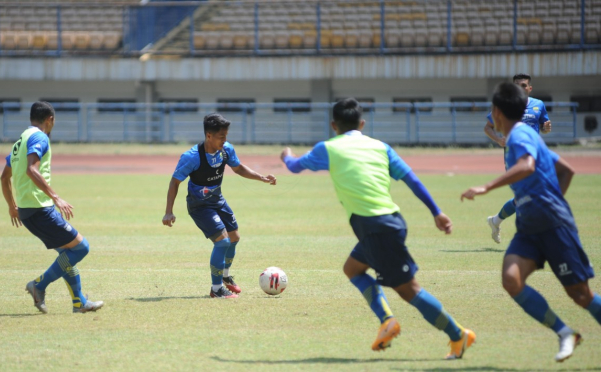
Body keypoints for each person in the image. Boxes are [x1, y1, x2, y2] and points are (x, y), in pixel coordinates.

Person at [280, 98, 475, 359]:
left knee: (409, 290)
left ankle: (458, 335)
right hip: (387, 224)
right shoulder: (381, 147)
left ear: (333, 125)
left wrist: (286, 155)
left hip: (377, 229)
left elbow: (294, 167)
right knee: (352, 268)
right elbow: (412, 179)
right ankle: (387, 321)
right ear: (361, 123)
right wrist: (436, 212)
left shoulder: (327, 148)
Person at [462, 82, 601, 362]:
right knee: (511, 280)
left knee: (580, 294)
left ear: (497, 112)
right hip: (528, 226)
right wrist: (547, 196)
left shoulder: (517, 136)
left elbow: (527, 166)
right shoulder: (529, 135)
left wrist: (486, 188)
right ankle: (565, 333)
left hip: (552, 223)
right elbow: (567, 170)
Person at [0, 101, 104, 314]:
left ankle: (79, 303)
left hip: (28, 212)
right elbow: (31, 169)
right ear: (50, 120)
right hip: (40, 209)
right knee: (81, 248)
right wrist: (56, 197)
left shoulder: (20, 141)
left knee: (66, 255)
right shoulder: (40, 137)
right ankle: (38, 285)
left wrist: (12, 206)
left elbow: (4, 177)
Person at [162, 113, 276, 299]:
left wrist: (261, 177)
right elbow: (174, 182)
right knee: (222, 241)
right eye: (221, 137)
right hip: (199, 206)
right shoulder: (192, 157)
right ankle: (216, 290)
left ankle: (224, 276)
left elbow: (238, 168)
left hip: (218, 200)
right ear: (209, 136)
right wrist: (169, 212)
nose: (225, 140)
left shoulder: (226, 150)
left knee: (234, 237)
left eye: (226, 136)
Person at [484, 73, 552, 244]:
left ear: (529, 88)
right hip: (513, 158)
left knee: (525, 197)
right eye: (516, 85)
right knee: (527, 196)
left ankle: (495, 221)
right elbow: (488, 127)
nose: (519, 88)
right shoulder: (504, 106)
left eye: (523, 85)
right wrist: (498, 139)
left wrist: (546, 128)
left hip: (534, 157)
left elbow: (544, 128)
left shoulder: (539, 105)